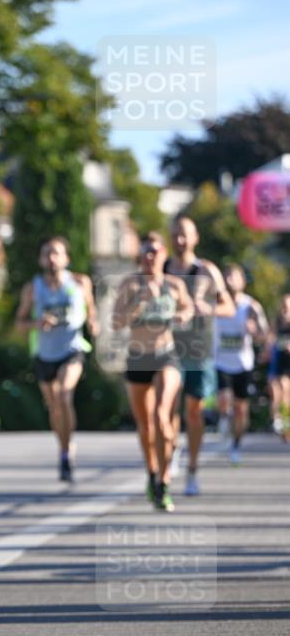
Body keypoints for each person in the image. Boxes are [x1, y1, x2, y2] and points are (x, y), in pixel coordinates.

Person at [112, 232, 193, 511]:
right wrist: (139, 303)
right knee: (145, 426)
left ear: (164, 255)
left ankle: (164, 481)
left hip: (165, 355)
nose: (150, 256)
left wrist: (184, 315)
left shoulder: (174, 284)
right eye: (146, 251)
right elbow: (116, 323)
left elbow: (188, 308)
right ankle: (151, 471)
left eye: (155, 251)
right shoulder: (130, 284)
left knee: (161, 416)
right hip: (137, 358)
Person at [15, 236, 98, 482]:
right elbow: (19, 323)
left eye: (56, 253)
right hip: (44, 353)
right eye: (47, 253)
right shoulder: (33, 288)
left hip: (72, 349)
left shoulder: (80, 282)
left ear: (66, 258)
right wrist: (36, 323)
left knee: (64, 394)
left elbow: (91, 311)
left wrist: (94, 323)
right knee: (54, 406)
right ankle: (63, 448)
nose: (51, 258)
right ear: (41, 259)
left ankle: (66, 449)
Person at [164, 217, 234, 496]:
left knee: (194, 411)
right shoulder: (163, 268)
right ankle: (172, 447)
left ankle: (192, 468)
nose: (179, 240)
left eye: (184, 235)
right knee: (165, 408)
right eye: (175, 235)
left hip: (199, 350)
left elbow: (228, 306)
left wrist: (209, 308)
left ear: (195, 238)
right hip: (168, 349)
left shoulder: (206, 271)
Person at [213, 264, 268, 463]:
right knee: (223, 398)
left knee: (241, 409)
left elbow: (264, 336)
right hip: (220, 361)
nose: (229, 280)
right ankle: (223, 417)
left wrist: (254, 330)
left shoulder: (251, 306)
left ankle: (236, 445)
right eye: (226, 276)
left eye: (233, 276)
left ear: (242, 281)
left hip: (243, 363)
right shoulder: (216, 303)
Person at [267, 294, 290, 440]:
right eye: (284, 307)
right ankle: (277, 420)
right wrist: (267, 349)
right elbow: (270, 339)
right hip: (277, 363)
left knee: (286, 392)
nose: (285, 310)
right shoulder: (277, 324)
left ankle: (286, 425)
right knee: (275, 392)